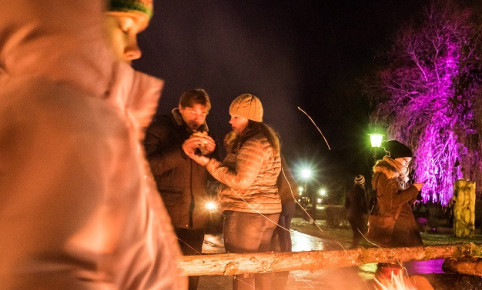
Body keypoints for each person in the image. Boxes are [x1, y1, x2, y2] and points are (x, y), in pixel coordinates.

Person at [0, 0, 185, 288]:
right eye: (124, 28)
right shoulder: (63, 120)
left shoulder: (93, 118)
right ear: (79, 24)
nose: (135, 49)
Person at [185, 93, 282, 290]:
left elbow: (241, 181)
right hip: (266, 212)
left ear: (250, 118)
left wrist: (207, 162)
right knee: (261, 267)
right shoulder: (266, 141)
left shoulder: (253, 143)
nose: (230, 121)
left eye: (236, 116)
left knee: (243, 270)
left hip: (246, 213)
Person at [144, 88, 217, 290]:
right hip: (168, 218)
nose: (198, 117)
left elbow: (212, 174)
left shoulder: (205, 133)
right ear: (181, 109)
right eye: (193, 111)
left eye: (203, 113)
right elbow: (148, 166)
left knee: (193, 274)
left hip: (197, 219)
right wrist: (182, 151)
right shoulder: (161, 128)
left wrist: (211, 154)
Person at [371, 140, 424, 247]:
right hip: (394, 226)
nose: (407, 164)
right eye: (405, 161)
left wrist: (416, 192)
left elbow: (403, 200)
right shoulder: (386, 176)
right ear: (396, 157)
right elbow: (393, 202)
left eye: (409, 162)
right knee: (392, 258)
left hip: (400, 224)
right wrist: (413, 189)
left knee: (398, 258)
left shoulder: (397, 176)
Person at [270, 157, 299, 290]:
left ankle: (283, 262)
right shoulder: (285, 166)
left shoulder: (275, 162)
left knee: (281, 232)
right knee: (285, 231)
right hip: (290, 202)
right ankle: (287, 259)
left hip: (282, 202)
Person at [346, 175, 369, 247]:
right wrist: (366, 212)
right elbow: (364, 203)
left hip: (350, 215)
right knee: (362, 231)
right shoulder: (362, 191)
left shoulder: (349, 191)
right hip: (358, 215)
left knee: (356, 232)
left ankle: (354, 247)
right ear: (362, 182)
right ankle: (354, 248)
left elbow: (346, 205)